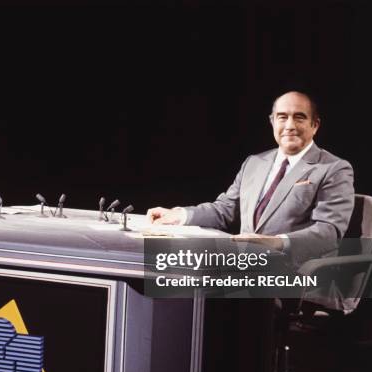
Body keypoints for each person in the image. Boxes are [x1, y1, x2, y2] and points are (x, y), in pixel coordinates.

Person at [147, 91, 355, 286]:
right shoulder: (254, 163)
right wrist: (180, 215)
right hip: (242, 266)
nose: (290, 125)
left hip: (293, 272)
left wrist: (276, 243)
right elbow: (225, 209)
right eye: (282, 117)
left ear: (315, 125)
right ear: (272, 122)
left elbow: (329, 232)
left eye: (299, 117)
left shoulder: (334, 168)